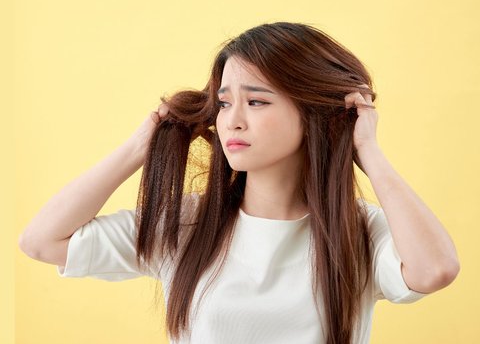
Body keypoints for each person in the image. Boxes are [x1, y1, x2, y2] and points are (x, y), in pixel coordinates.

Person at [19, 22, 460, 344]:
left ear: (313, 115)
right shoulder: (188, 225)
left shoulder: (359, 232)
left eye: (256, 101)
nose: (233, 120)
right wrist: (141, 147)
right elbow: (41, 241)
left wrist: (367, 150)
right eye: (225, 102)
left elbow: (434, 270)